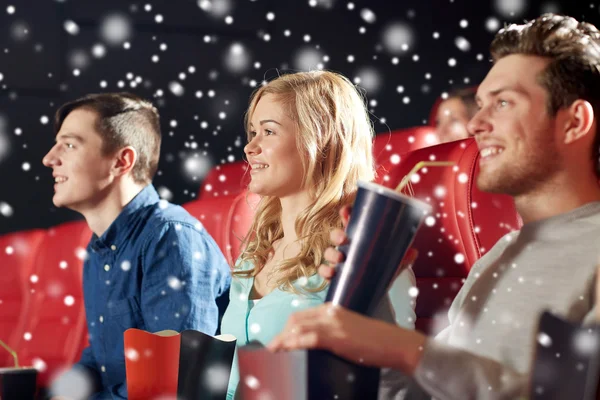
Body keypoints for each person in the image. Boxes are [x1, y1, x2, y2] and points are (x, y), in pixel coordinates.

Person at [270, 14, 600, 399]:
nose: (476, 123)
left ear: (574, 122)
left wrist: (404, 349)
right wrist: (370, 304)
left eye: (504, 103)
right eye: (479, 104)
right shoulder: (499, 256)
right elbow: (423, 394)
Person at [219, 70, 418, 399]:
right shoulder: (254, 251)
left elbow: (394, 388)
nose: (249, 147)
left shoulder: (358, 254)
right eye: (253, 132)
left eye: (268, 132)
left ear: (321, 140)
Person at [42, 93, 231, 399]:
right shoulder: (98, 248)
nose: (49, 158)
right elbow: (102, 361)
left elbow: (174, 388)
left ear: (121, 161)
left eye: (70, 144)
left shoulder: (170, 238)